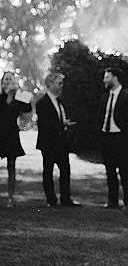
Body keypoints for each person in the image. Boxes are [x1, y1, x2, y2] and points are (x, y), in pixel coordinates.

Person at [96, 67, 128, 209]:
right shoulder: (104, 97)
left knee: (123, 170)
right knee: (110, 170)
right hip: (106, 137)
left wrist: (127, 139)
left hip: (120, 138)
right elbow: (100, 117)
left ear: (115, 78)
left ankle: (127, 201)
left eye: (107, 77)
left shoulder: (127, 97)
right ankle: (112, 201)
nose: (104, 80)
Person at [35, 71, 81, 208]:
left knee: (65, 170)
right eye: (59, 83)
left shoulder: (60, 101)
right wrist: (63, 124)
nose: (62, 86)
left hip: (61, 142)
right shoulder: (42, 103)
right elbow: (44, 124)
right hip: (48, 142)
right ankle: (51, 200)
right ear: (50, 85)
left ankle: (66, 199)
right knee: (48, 171)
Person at [0, 71, 33, 207]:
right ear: (2, 81)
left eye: (11, 79)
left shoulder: (18, 96)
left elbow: (27, 109)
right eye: (6, 79)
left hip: (11, 134)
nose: (8, 81)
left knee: (11, 167)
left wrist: (19, 93)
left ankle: (10, 198)